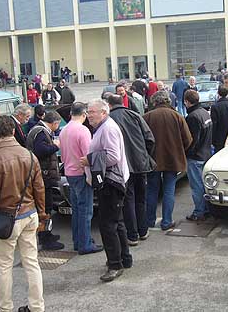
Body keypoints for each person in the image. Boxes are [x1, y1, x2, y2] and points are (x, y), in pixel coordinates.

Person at [0, 116, 46, 312]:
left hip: (5, 217)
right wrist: (42, 214)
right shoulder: (29, 155)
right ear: (13, 131)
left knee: (3, 265)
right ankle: (37, 306)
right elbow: (39, 188)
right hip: (30, 214)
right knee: (31, 263)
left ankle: (4, 307)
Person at [81, 99, 131, 282]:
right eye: (88, 111)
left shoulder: (108, 128)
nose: (89, 115)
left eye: (92, 111)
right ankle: (124, 259)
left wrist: (89, 159)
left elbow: (112, 157)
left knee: (108, 225)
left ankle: (115, 265)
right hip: (112, 181)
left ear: (104, 112)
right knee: (117, 223)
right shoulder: (103, 127)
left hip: (111, 182)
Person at [108, 95, 156, 245]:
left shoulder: (109, 120)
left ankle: (132, 235)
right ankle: (143, 230)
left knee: (128, 200)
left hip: (124, 166)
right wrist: (144, 155)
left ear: (109, 105)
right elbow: (150, 139)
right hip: (140, 163)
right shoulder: (135, 115)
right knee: (141, 198)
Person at [143, 91, 192, 231]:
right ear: (168, 101)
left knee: (151, 190)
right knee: (169, 190)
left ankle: (149, 220)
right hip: (172, 159)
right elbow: (188, 139)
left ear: (154, 102)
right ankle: (167, 221)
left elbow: (141, 140)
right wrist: (179, 150)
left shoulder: (146, 117)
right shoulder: (177, 116)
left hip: (153, 160)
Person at [59, 103, 102, 255]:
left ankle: (78, 241)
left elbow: (63, 156)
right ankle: (85, 244)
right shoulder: (83, 130)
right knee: (86, 211)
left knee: (76, 210)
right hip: (81, 173)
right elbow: (87, 156)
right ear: (84, 114)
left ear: (71, 114)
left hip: (69, 173)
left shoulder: (64, 130)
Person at [26, 110, 64, 250]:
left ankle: (47, 233)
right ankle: (45, 238)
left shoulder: (36, 129)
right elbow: (41, 150)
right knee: (45, 207)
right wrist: (55, 146)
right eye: (57, 124)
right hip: (43, 176)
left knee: (45, 206)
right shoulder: (41, 132)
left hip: (41, 174)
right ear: (54, 123)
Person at [183, 90, 213, 222]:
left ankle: (199, 211)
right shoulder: (204, 113)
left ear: (187, 102)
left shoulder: (192, 117)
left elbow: (193, 140)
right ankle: (206, 209)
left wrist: (188, 152)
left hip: (196, 156)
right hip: (206, 152)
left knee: (197, 186)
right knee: (204, 185)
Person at [211, 85, 228, 152]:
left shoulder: (215, 107)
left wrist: (212, 140)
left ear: (218, 93)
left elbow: (214, 124)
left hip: (219, 138)